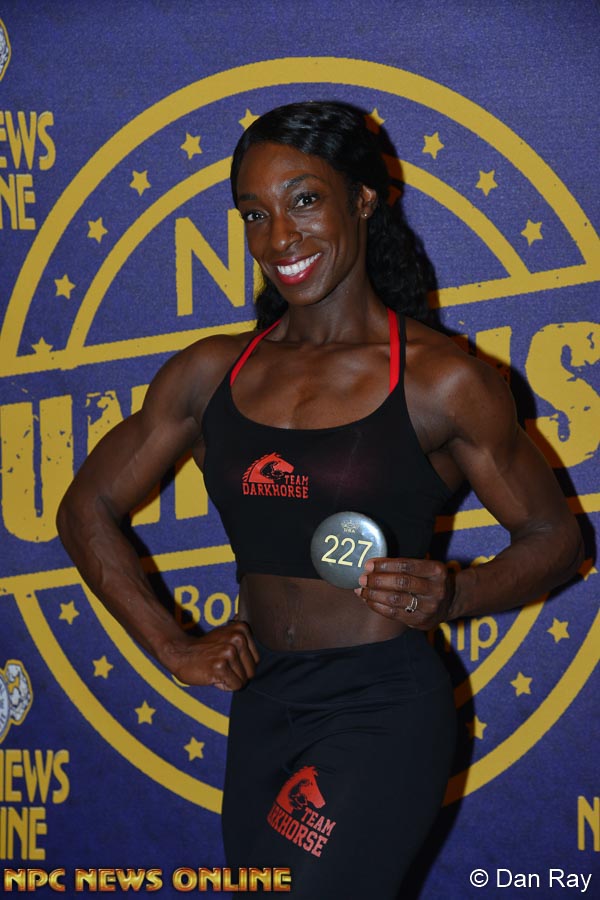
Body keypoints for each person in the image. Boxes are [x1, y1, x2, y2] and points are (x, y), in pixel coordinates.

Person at [56, 101, 583, 898]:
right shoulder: (210, 373)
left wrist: (458, 593)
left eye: (304, 200)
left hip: (381, 707)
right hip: (263, 705)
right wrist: (171, 646)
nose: (279, 238)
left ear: (363, 199)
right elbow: (84, 508)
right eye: (254, 213)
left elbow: (555, 538)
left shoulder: (443, 381)